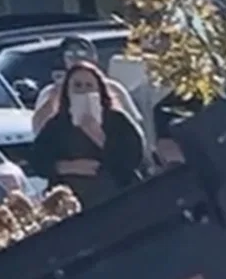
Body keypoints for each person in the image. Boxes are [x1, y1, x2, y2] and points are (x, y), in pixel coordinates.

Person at [24, 44, 152, 194]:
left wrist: (98, 136)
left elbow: (133, 158)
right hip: (72, 197)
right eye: (77, 85)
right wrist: (68, 166)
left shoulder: (117, 120)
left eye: (89, 85)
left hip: (115, 195)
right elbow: (38, 160)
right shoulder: (58, 124)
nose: (83, 90)